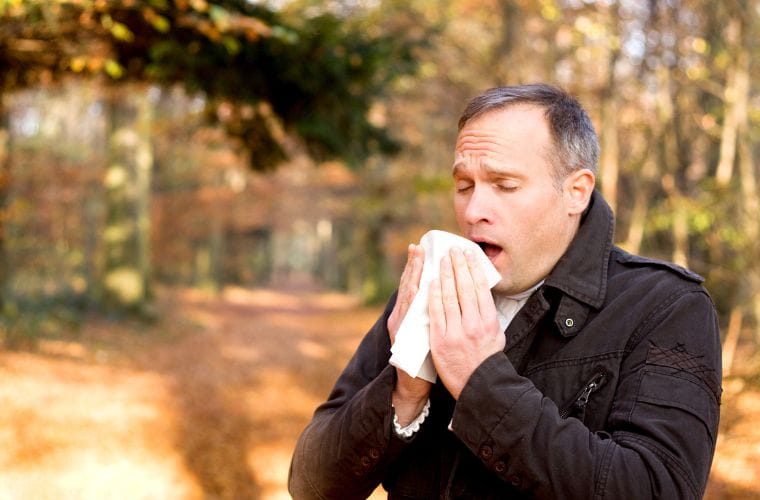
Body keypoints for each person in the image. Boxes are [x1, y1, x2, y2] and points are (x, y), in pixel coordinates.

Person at [288, 84, 722, 499]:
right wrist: (404, 389)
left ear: (576, 192)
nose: (474, 211)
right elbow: (312, 485)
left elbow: (656, 487)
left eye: (506, 186)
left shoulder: (667, 306)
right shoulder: (432, 293)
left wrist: (481, 382)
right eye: (464, 186)